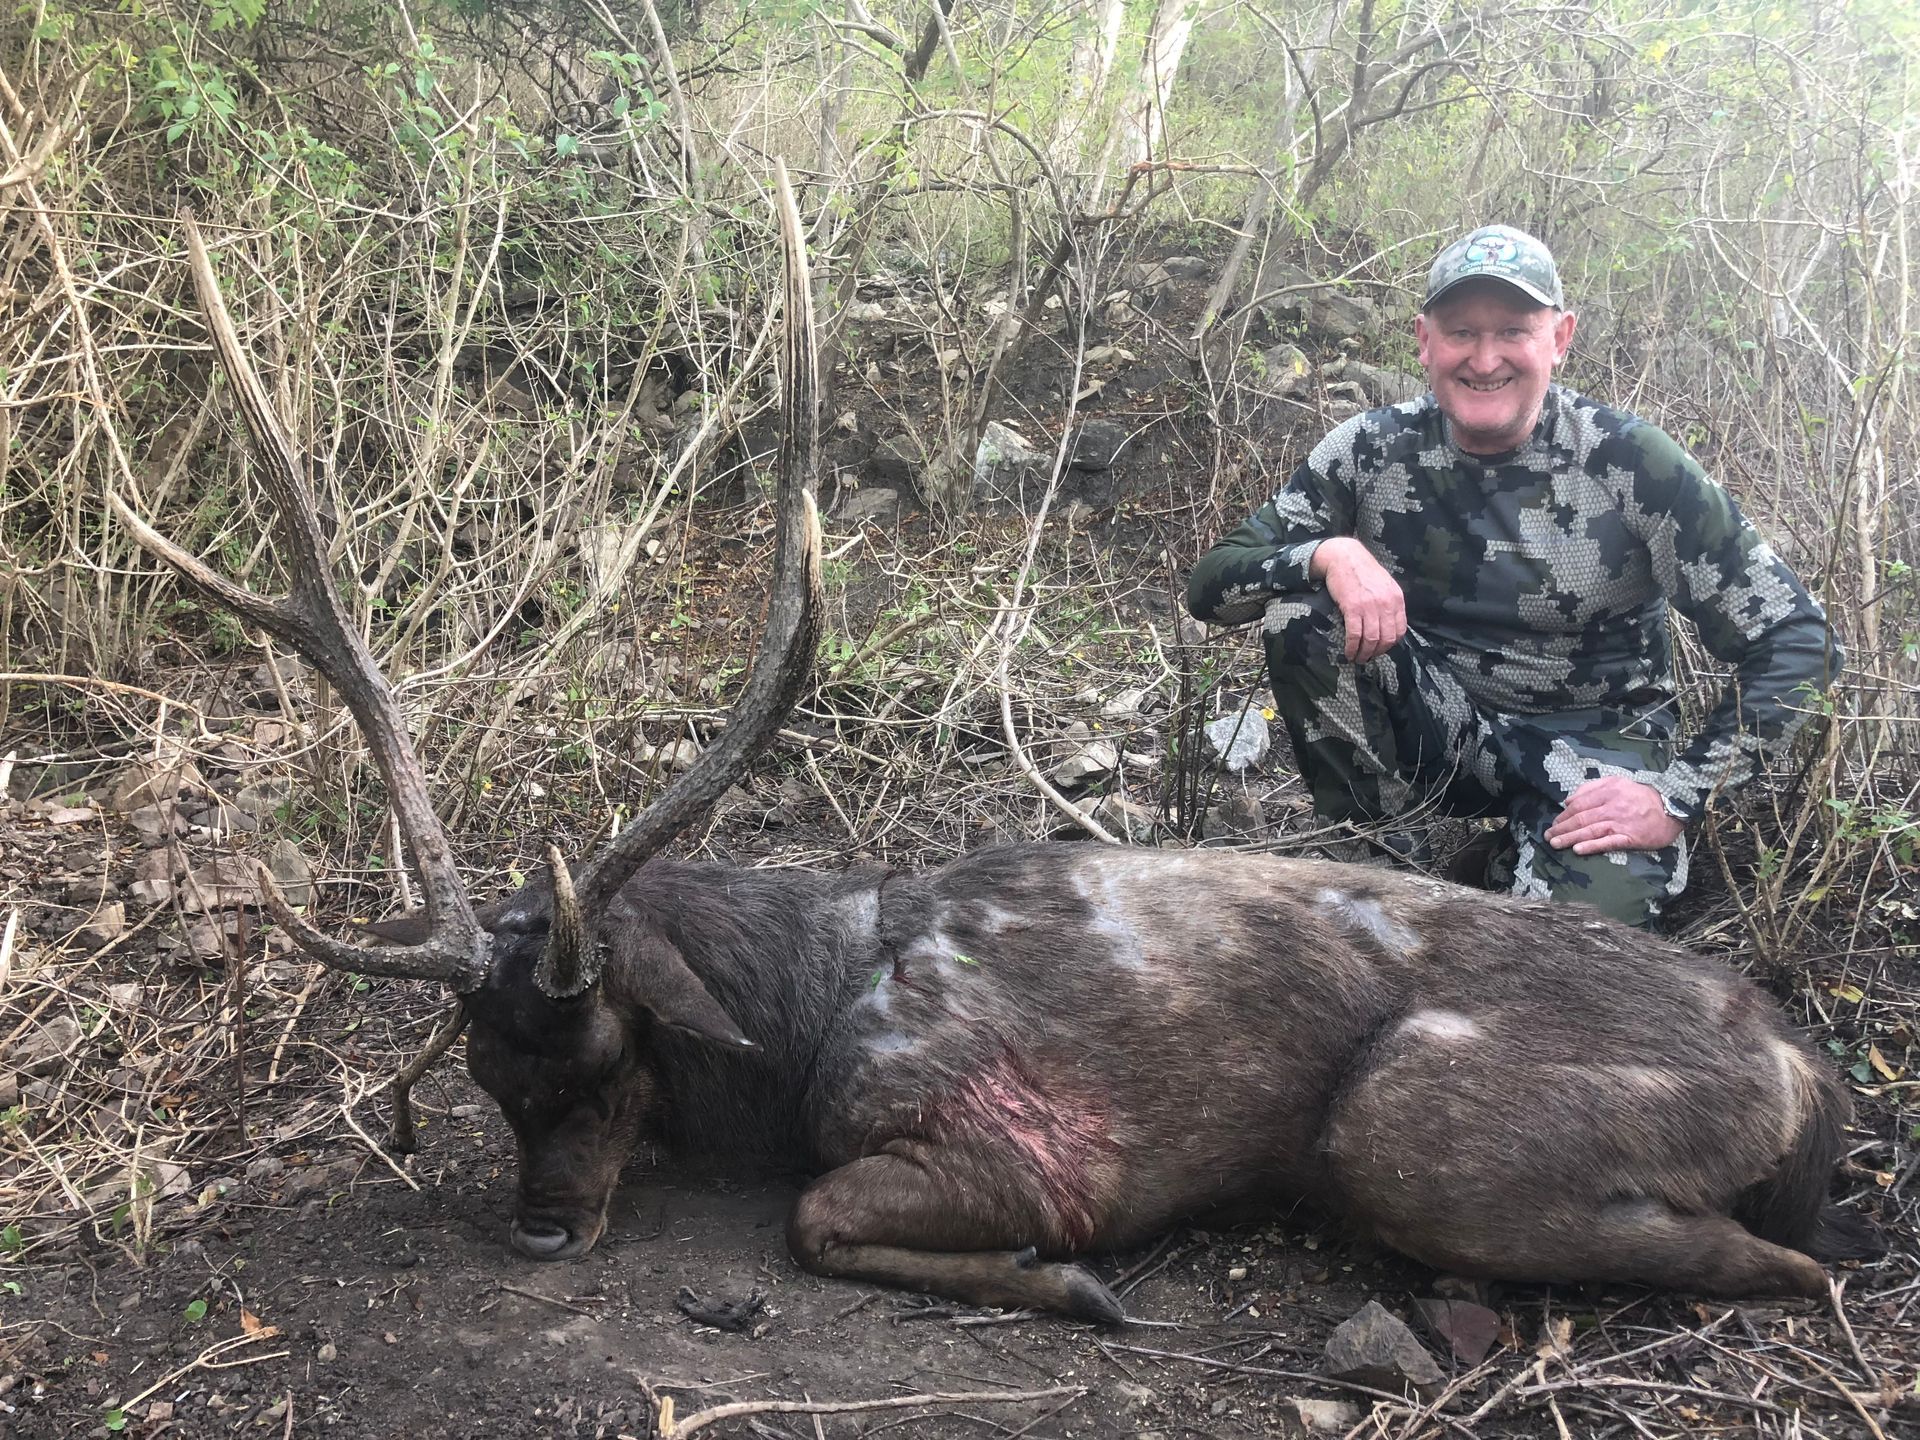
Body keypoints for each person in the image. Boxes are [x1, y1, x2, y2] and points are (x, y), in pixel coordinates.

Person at [1187, 224, 1842, 926]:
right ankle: (1376, 873)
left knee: (1580, 958)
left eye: (1514, 331)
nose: (1485, 358)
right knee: (1304, 614)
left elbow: (1798, 641)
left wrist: (1679, 793)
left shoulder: (1631, 462)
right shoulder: (1369, 449)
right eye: (1462, 331)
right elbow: (1213, 585)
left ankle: (1504, 870)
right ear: (1424, 341)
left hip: (1593, 751)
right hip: (1442, 726)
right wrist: (1328, 554)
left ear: (1559, 338)